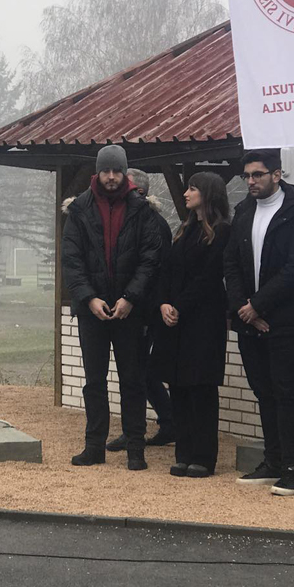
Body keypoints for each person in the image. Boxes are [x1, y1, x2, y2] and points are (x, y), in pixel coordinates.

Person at [61, 145, 162, 470]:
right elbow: (71, 260)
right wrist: (89, 298)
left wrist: (130, 298)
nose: (111, 177)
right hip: (92, 310)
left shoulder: (142, 209)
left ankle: (136, 448)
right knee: (94, 380)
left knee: (132, 380)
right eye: (106, 171)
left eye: (117, 171)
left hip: (128, 311)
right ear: (98, 172)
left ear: (124, 172)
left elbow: (149, 259)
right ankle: (94, 446)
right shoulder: (79, 209)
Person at [224, 150, 294, 496]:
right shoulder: (244, 211)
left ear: (277, 174)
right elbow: (230, 263)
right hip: (249, 320)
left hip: (287, 320)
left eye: (258, 175)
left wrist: (258, 305)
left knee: (287, 393)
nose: (251, 181)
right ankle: (272, 459)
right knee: (263, 392)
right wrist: (243, 308)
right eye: (247, 175)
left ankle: (292, 467)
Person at [155, 172, 230, 477]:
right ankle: (183, 452)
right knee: (180, 388)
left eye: (193, 189)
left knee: (201, 390)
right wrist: (163, 303)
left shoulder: (222, 231)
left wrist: (180, 305)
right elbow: (167, 271)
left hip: (203, 321)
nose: (186, 194)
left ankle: (204, 456)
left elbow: (209, 278)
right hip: (176, 322)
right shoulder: (184, 229)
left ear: (208, 194)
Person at [105, 167, 175, 452]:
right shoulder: (147, 221)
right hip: (138, 308)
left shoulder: (153, 224)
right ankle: (164, 421)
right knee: (139, 372)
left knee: (136, 373)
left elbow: (152, 269)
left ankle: (146, 426)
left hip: (144, 310)